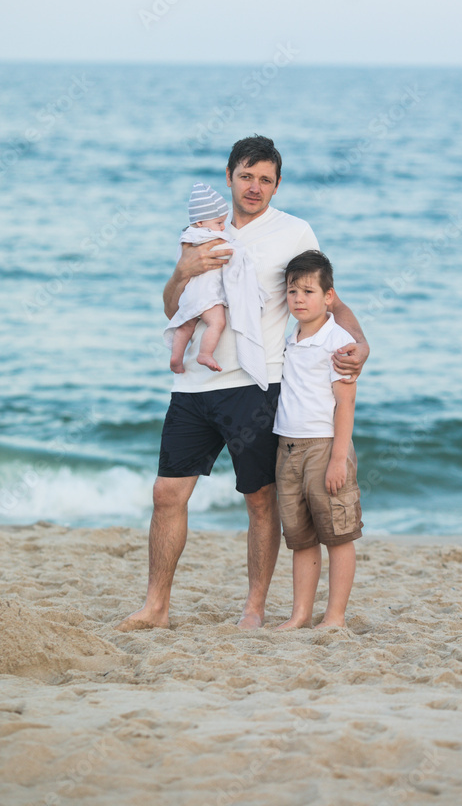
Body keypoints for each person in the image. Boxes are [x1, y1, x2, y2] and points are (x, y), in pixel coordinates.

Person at [117, 135, 369, 633]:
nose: (255, 187)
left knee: (259, 499)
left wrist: (360, 343)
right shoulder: (201, 231)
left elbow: (330, 300)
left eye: (266, 179)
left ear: (277, 185)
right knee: (167, 493)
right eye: (247, 176)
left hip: (257, 383)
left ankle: (253, 609)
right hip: (193, 385)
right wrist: (182, 269)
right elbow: (174, 307)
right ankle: (156, 606)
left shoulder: (295, 232)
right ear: (230, 175)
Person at [273, 250, 363, 630]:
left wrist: (338, 459)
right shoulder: (288, 336)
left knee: (337, 534)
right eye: (293, 291)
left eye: (308, 291)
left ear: (329, 297)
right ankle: (300, 614)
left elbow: (345, 404)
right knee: (301, 537)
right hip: (288, 446)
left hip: (325, 447)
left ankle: (335, 617)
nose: (299, 299)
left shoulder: (337, 341)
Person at [164, 182, 270, 389]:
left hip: (189, 294)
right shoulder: (213, 237)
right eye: (219, 222)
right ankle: (205, 354)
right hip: (207, 295)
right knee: (217, 323)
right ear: (202, 222)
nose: (223, 227)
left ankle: (176, 357)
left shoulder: (186, 238)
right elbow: (231, 252)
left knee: (186, 325)